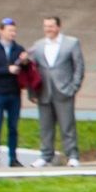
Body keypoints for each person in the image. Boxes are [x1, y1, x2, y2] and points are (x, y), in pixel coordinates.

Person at [31, 16, 84, 166]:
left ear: (58, 27)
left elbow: (79, 66)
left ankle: (72, 155)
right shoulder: (38, 45)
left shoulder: (71, 43)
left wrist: (74, 87)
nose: (48, 29)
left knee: (67, 125)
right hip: (44, 91)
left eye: (51, 26)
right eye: (46, 26)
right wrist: (32, 92)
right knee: (45, 126)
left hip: (64, 91)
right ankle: (45, 155)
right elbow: (32, 69)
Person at [0, 18, 27, 168]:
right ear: (1, 31)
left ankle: (13, 158)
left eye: (14, 31)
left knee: (13, 127)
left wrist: (25, 62)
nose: (12, 33)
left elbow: (25, 70)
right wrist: (7, 70)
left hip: (14, 93)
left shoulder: (19, 49)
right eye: (9, 30)